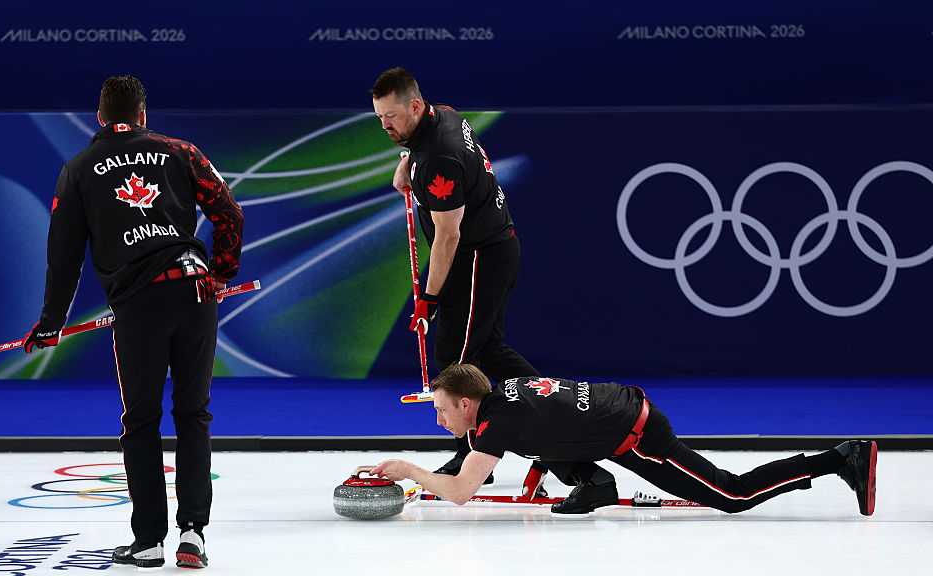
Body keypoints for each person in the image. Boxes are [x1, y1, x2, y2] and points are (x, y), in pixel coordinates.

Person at [23, 75, 244, 568]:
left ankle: (148, 542)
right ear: (143, 115)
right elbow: (230, 214)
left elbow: (64, 255)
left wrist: (51, 321)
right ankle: (194, 537)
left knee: (141, 422)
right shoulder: (180, 150)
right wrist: (221, 274)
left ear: (99, 117)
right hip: (193, 289)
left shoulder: (78, 168)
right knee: (194, 415)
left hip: (139, 304)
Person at [372, 67, 591, 487]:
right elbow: (424, 155)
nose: (385, 125)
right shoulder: (444, 117)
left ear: (416, 107)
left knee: (455, 359)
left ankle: (470, 460)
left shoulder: (440, 156)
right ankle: (558, 419)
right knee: (488, 352)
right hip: (487, 250)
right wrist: (406, 165)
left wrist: (428, 299)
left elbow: (448, 236)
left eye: (392, 117)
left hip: (477, 258)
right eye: (380, 117)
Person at [372, 364, 877, 517]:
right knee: (544, 445)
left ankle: (837, 459)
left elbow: (462, 491)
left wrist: (411, 472)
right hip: (609, 412)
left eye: (439, 410)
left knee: (732, 495)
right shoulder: (498, 394)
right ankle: (596, 483)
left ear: (465, 404)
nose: (437, 420)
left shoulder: (498, 423)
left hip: (636, 433)